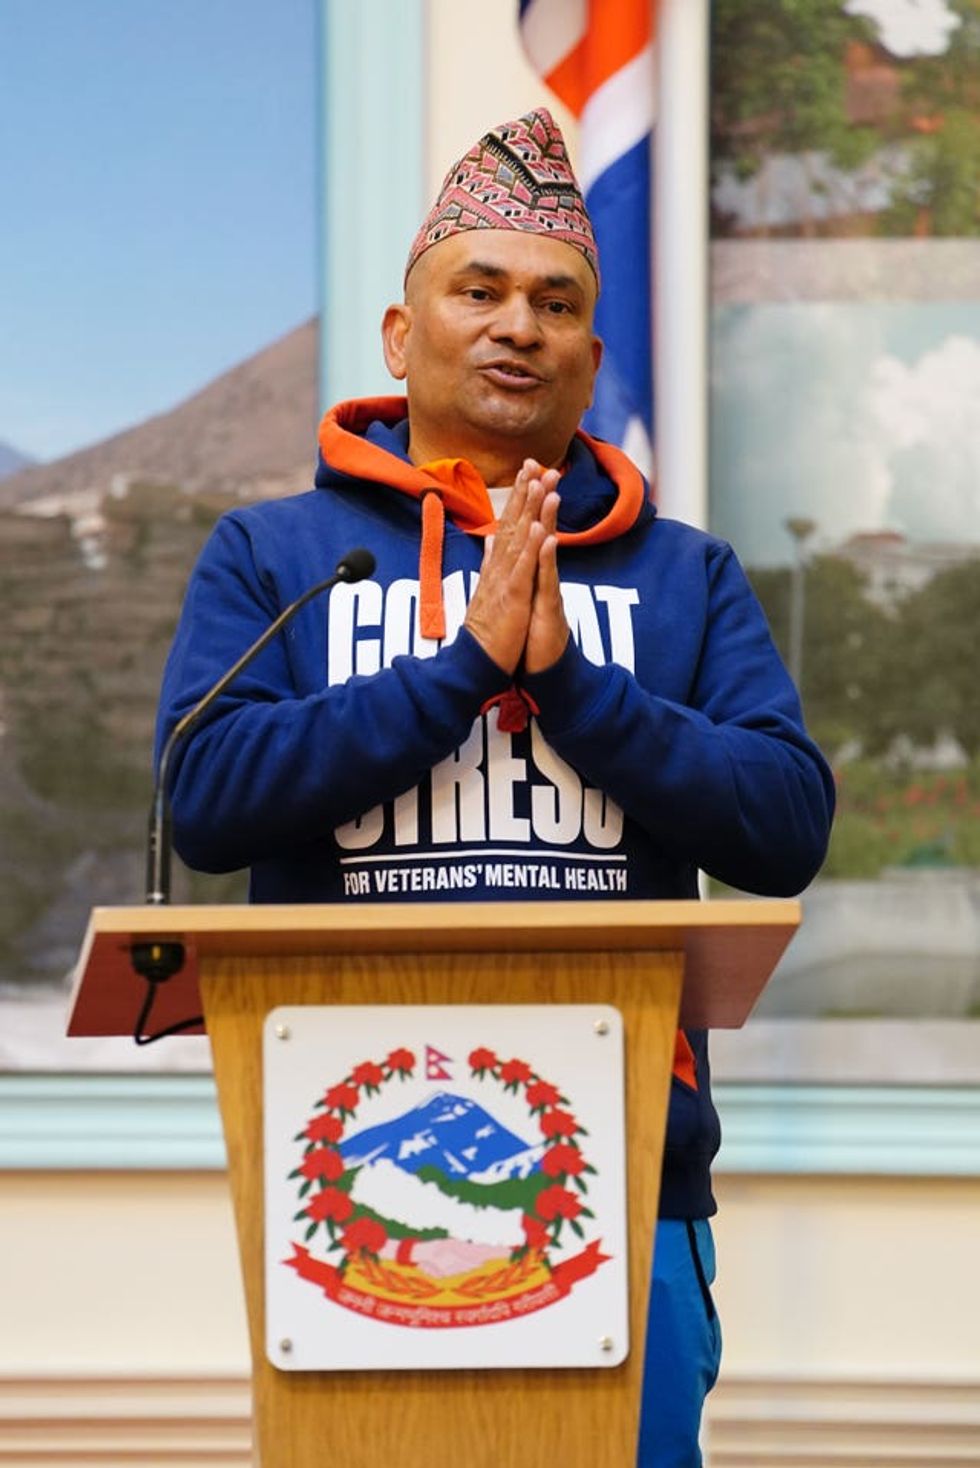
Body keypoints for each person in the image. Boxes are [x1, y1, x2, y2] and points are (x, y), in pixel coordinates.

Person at [156, 109, 834, 1465]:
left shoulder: (682, 574)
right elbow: (207, 795)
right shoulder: (274, 554)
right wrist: (459, 668)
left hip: (629, 1185)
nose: (518, 325)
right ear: (404, 339)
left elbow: (785, 823)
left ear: (592, 357)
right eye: (481, 291)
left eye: (556, 303)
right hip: (345, 1185)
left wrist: (575, 685)